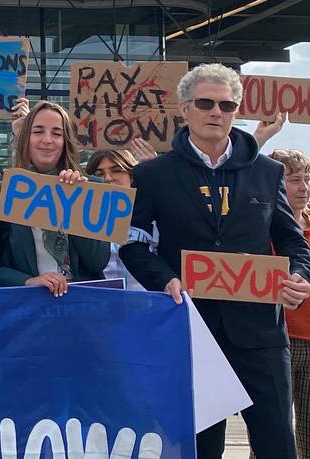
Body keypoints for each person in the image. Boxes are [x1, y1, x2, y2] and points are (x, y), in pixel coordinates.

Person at [120, 64, 310, 459]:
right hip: (191, 329)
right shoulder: (152, 174)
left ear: (236, 109)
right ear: (184, 108)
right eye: (205, 103)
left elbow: (293, 243)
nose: (216, 112)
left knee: (277, 444)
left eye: (226, 104)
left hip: (260, 334)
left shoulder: (268, 171)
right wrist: (165, 279)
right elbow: (133, 244)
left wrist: (297, 276)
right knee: (201, 447)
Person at [0, 100, 111, 294]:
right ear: (26, 138)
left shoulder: (91, 188)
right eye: (38, 131)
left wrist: (77, 203)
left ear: (65, 141)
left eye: (57, 133)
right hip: (24, 310)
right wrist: (27, 281)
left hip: (82, 309)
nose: (47, 140)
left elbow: (97, 263)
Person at [269, 148, 310, 459]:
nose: (304, 188)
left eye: (307, 179)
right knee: (272, 431)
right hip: (275, 339)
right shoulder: (258, 230)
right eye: (294, 180)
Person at [83, 149, 147, 290]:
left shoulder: (152, 216)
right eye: (99, 174)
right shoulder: (81, 221)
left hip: (150, 303)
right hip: (101, 304)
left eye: (116, 170)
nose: (108, 178)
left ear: (131, 176)